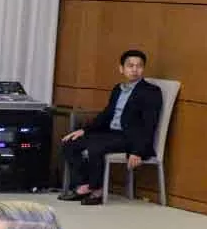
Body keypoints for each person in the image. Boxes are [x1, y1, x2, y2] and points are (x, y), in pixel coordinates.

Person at [61, 48, 162, 206]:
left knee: (96, 146)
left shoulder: (151, 92)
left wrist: (138, 151)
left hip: (130, 137)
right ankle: (83, 186)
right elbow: (106, 114)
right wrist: (84, 130)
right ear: (121, 68)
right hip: (111, 133)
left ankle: (97, 189)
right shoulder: (118, 89)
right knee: (70, 143)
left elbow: (150, 124)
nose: (135, 70)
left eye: (139, 66)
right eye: (130, 66)